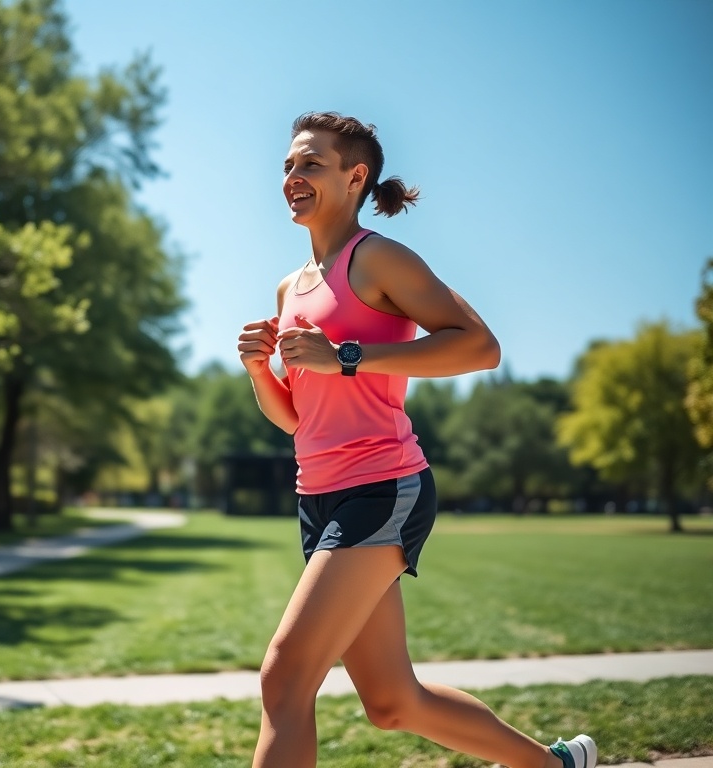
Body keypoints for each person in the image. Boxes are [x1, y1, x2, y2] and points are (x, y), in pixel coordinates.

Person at [237, 111, 597, 768]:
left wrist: (346, 355)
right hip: (317, 497)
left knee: (284, 680)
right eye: (288, 165)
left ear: (356, 177)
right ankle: (552, 765)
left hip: (382, 486)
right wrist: (260, 368)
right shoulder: (291, 287)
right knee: (391, 701)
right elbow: (296, 419)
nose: (293, 177)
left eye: (310, 164)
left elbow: (480, 347)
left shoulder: (376, 259)